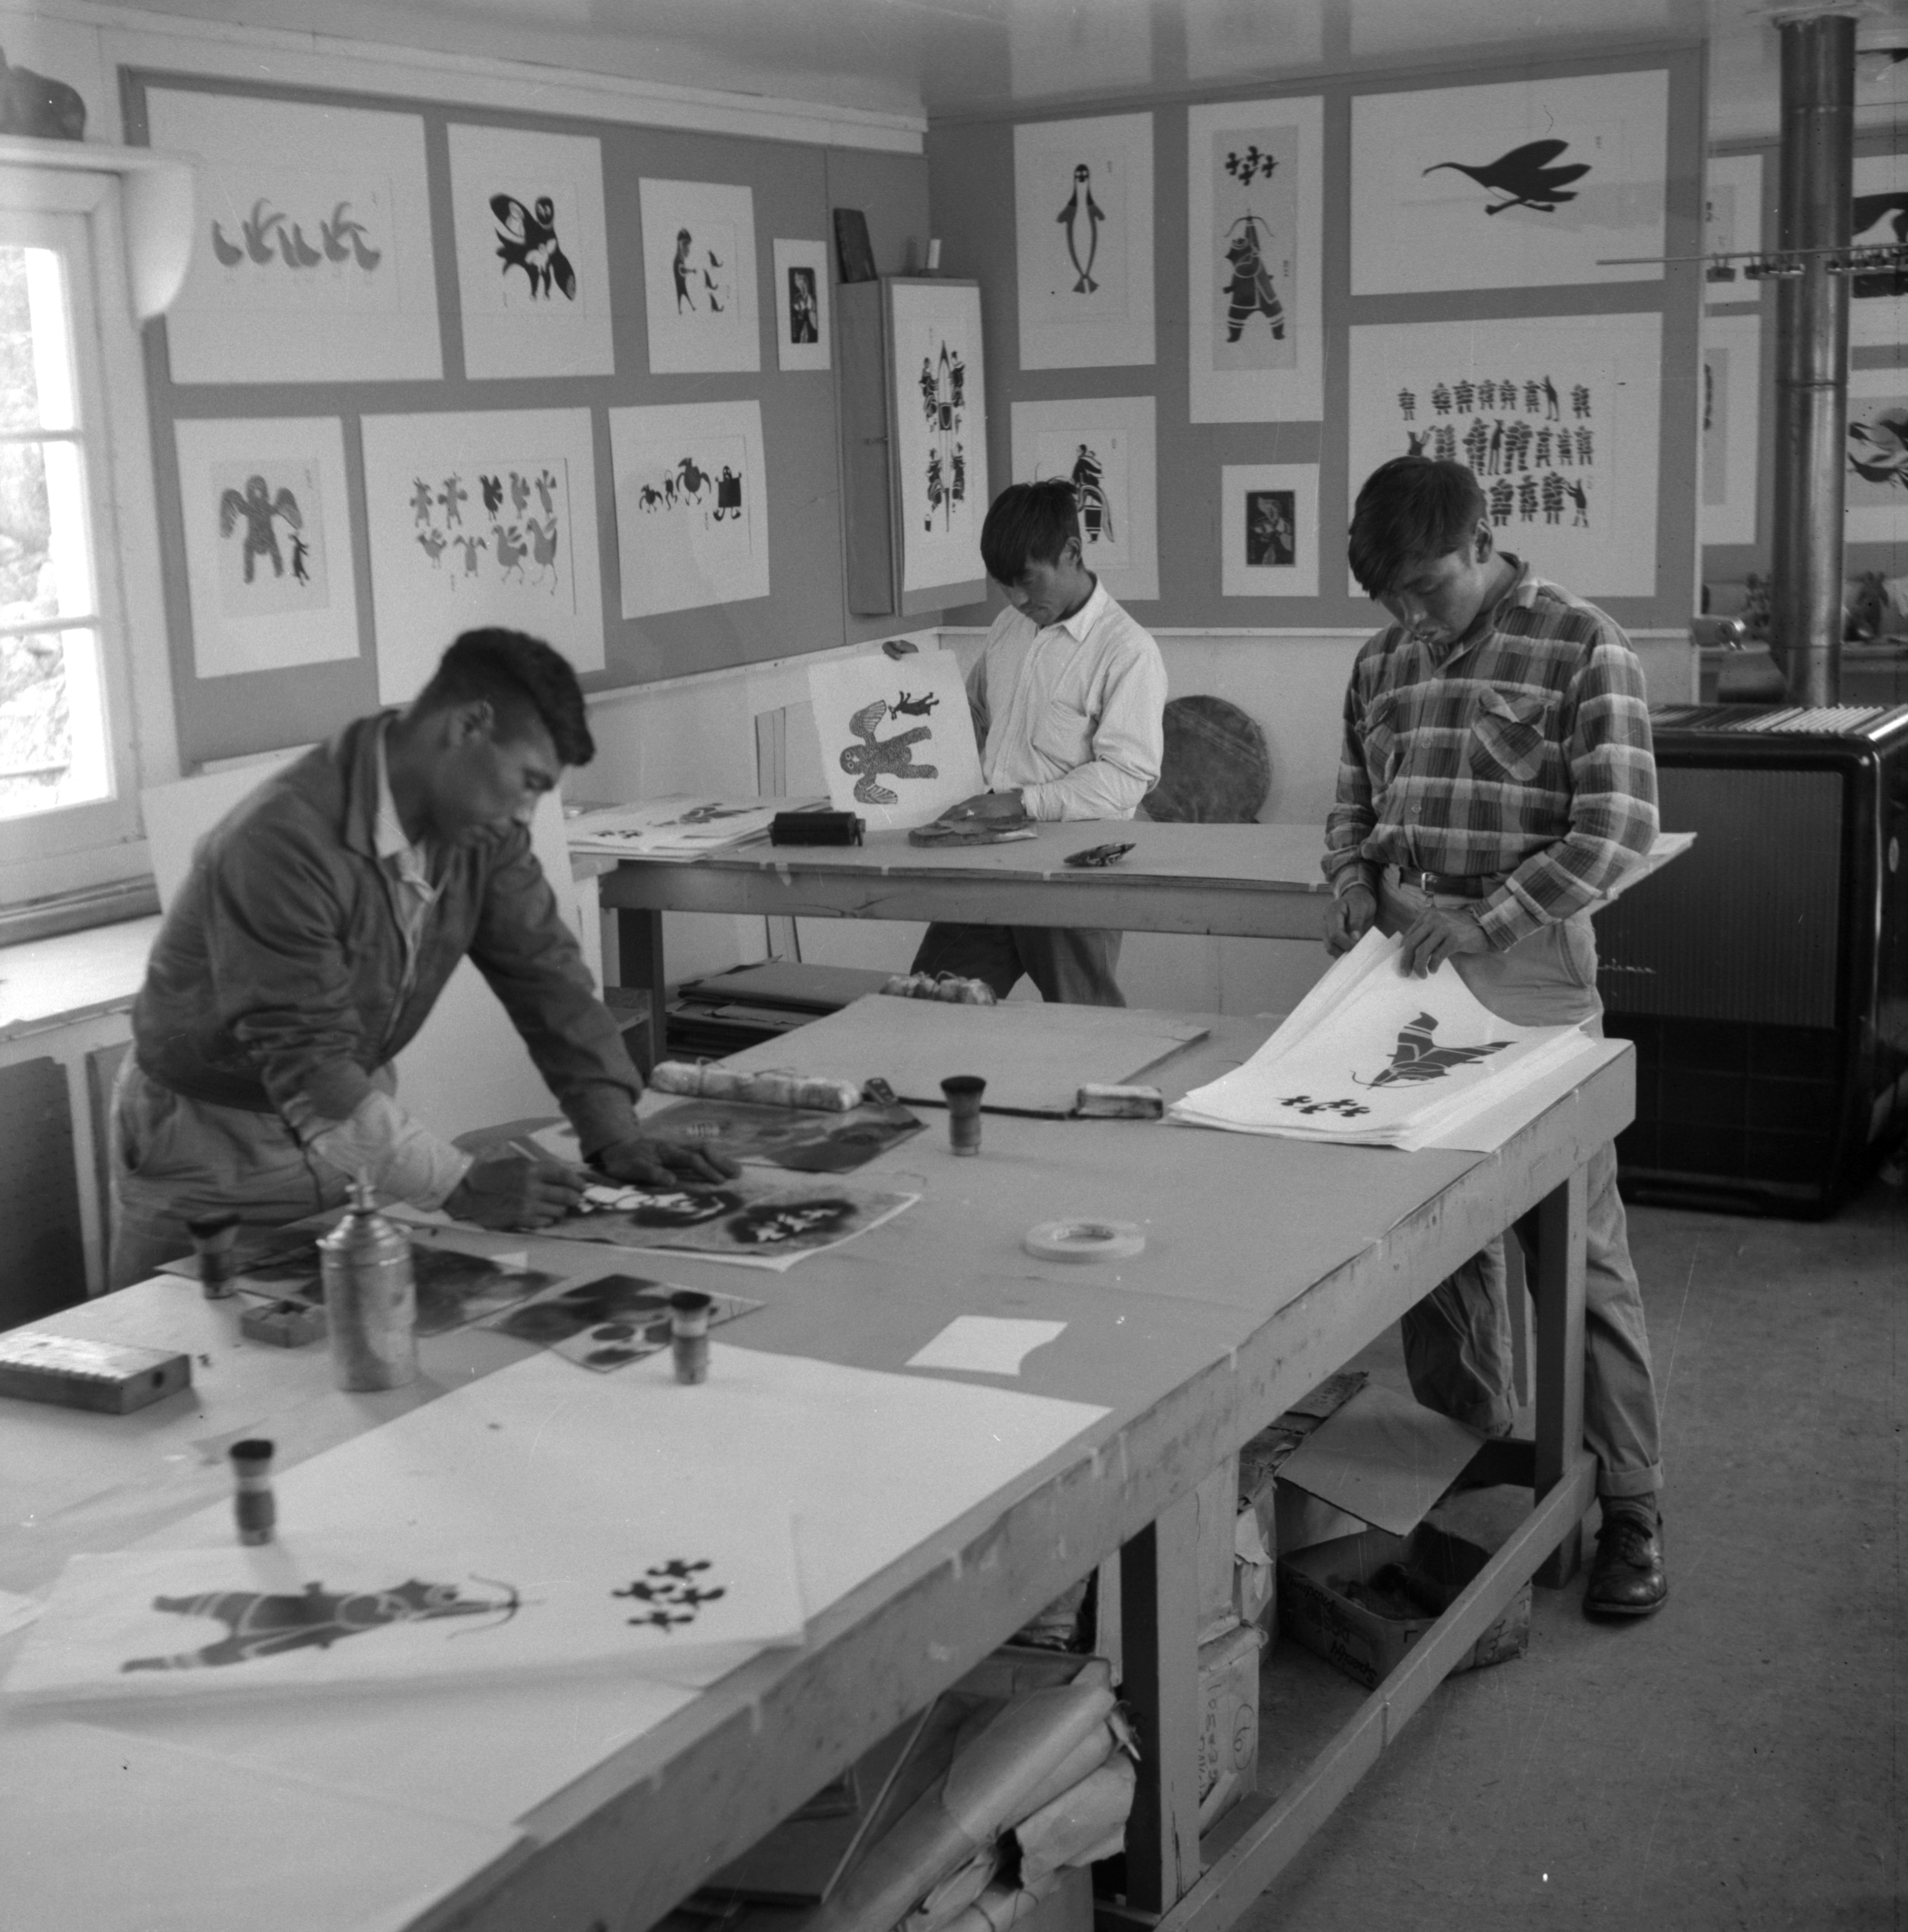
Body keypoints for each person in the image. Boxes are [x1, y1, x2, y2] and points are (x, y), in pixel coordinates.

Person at [111, 627, 735, 1289]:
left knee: (361, 1350)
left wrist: (613, 1132)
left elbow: (548, 974)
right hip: (213, 1140)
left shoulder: (481, 829)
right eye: (526, 781)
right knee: (207, 1358)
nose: (526, 812)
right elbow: (309, 1063)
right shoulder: (281, 841)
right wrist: (458, 1184)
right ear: (469, 724)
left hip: (350, 1113)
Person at [1322, 456, 1668, 1619]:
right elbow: (1353, 799)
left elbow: (1618, 828)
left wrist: (1491, 915)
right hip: (1406, 958)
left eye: (1427, 589)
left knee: (1573, 1239)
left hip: (1525, 958)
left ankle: (1630, 1502)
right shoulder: (1383, 659)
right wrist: (1354, 874)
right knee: (1432, 1232)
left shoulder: (1581, 643)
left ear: (1485, 540)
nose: (1411, 619)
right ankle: (1469, 1459)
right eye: (1391, 600)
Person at [908, 478, 1167, 1006]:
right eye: (1005, 586)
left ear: (1071, 553)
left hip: (1070, 871)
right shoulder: (1009, 626)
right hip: (987, 861)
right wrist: (904, 685)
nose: (1018, 598)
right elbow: (971, 717)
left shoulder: (1128, 651)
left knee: (1085, 1024)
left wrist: (1021, 802)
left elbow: (1126, 780)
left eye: (1027, 580)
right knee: (928, 1004)